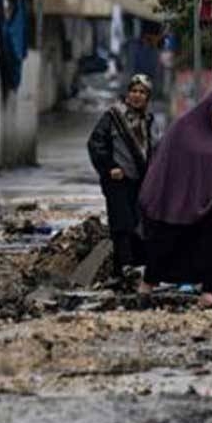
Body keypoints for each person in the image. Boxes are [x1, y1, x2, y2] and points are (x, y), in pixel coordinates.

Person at [137, 88, 212, 308]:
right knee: (167, 239)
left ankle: (209, 292)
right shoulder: (184, 128)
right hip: (180, 198)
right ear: (209, 109)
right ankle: (147, 285)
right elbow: (167, 161)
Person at [87, 74, 155, 284]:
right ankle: (123, 268)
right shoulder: (113, 116)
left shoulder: (148, 120)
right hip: (117, 180)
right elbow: (95, 143)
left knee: (139, 222)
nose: (137, 96)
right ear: (127, 94)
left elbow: (151, 149)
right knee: (121, 223)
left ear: (147, 97)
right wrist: (110, 168)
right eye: (134, 91)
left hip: (139, 180)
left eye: (142, 92)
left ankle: (133, 268)